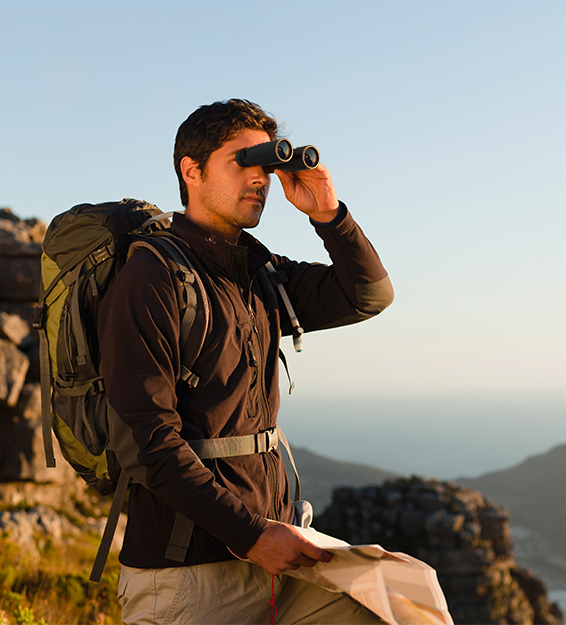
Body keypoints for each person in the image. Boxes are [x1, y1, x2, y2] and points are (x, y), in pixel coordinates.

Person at [98, 99, 393, 624]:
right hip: (188, 577)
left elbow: (367, 295)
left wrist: (328, 211)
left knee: (390, 614)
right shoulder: (152, 279)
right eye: (243, 160)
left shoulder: (259, 274)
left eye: (266, 164)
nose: (260, 177)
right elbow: (145, 442)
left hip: (276, 560)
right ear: (192, 171)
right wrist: (251, 534)